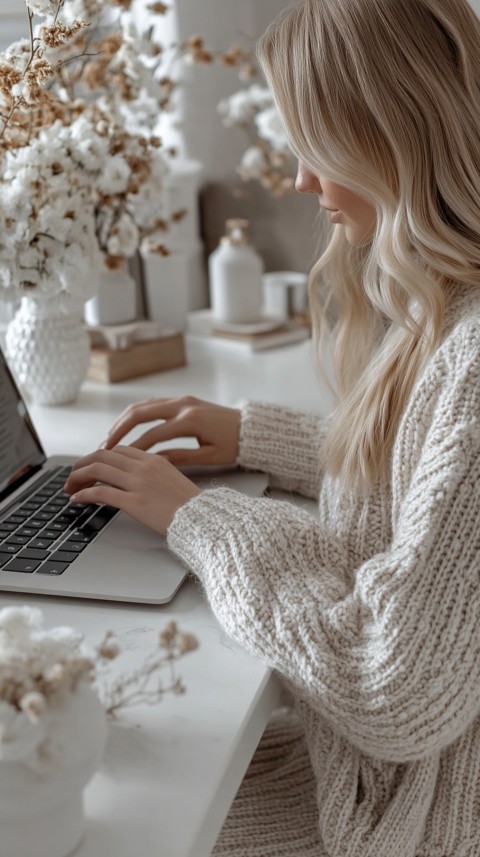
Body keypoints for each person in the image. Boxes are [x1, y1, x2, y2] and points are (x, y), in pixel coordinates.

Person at [64, 0, 480, 853]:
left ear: (391, 136)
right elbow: (431, 488)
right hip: (372, 774)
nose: (298, 180)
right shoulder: (443, 300)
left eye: (314, 149)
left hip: (403, 814)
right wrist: (264, 438)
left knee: (103, 816)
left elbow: (392, 685)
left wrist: (199, 516)